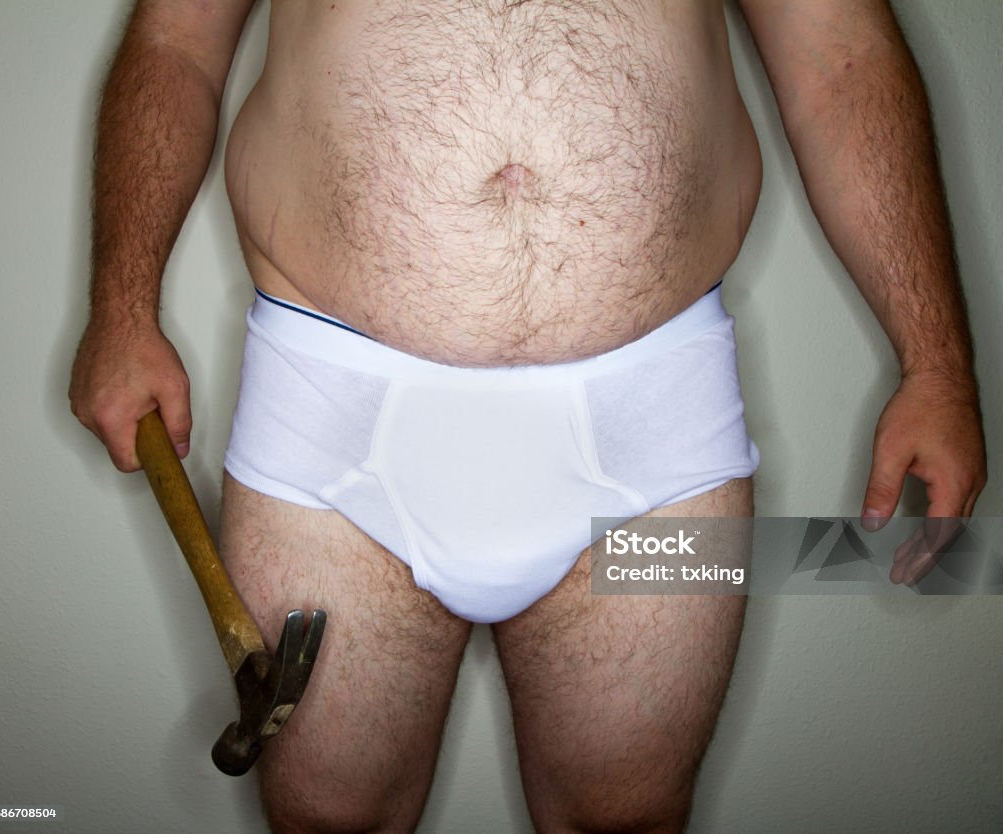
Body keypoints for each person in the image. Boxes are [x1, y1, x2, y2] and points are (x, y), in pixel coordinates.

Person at [69, 1, 986, 831]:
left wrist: (937, 360)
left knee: (624, 821)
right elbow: (177, 42)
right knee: (329, 826)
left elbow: (844, 60)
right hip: (336, 405)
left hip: (652, 419)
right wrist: (119, 304)